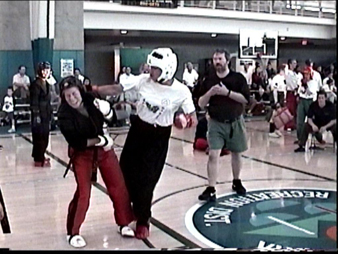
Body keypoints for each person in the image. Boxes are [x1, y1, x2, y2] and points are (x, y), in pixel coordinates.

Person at [94, 47, 198, 240]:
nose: (150, 71)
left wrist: (183, 121)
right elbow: (118, 88)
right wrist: (95, 90)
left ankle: (143, 220)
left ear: (167, 69)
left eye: (155, 69)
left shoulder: (181, 91)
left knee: (147, 181)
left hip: (158, 138)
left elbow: (193, 118)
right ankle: (129, 212)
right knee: (124, 174)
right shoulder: (143, 80)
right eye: (150, 67)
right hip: (138, 131)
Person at [57, 76, 135, 248]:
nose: (72, 98)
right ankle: (73, 232)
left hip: (104, 151)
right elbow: (76, 141)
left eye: (74, 93)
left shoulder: (91, 99)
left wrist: (108, 112)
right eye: (67, 95)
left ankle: (123, 222)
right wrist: (100, 140)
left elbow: (113, 119)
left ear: (80, 91)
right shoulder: (63, 114)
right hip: (82, 153)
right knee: (84, 192)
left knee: (118, 185)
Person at [197, 48, 250, 202]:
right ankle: (211, 187)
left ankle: (236, 180)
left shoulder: (238, 78)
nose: (217, 62)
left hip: (235, 121)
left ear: (227, 61)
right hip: (215, 123)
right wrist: (210, 93)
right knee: (213, 155)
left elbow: (245, 99)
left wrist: (227, 93)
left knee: (236, 153)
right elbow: (200, 103)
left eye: (220, 59)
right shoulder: (208, 79)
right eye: (215, 59)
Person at [29, 61, 53, 167]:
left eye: (47, 70)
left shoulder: (47, 83)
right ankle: (38, 158)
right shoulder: (36, 84)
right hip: (39, 114)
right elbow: (34, 101)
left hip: (46, 113)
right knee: (39, 137)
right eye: (44, 70)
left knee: (45, 136)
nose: (45, 72)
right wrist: (36, 115)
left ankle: (41, 155)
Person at [295, 66, 318, 144]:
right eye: (305, 74)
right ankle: (300, 138)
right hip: (302, 100)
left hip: (310, 101)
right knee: (299, 121)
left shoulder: (313, 83)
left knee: (311, 120)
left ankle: (316, 138)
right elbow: (299, 91)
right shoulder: (301, 82)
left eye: (307, 74)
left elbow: (311, 92)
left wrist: (306, 85)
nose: (306, 76)